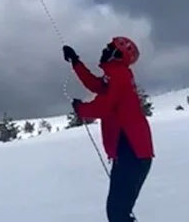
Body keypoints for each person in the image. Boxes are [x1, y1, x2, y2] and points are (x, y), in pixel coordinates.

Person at [63, 37, 154, 222]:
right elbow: (95, 85)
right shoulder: (114, 75)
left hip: (132, 152)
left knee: (117, 212)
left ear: (117, 55)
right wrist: (76, 62)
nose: (105, 49)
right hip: (130, 152)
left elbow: (104, 107)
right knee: (119, 211)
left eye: (109, 47)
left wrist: (81, 108)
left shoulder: (119, 75)